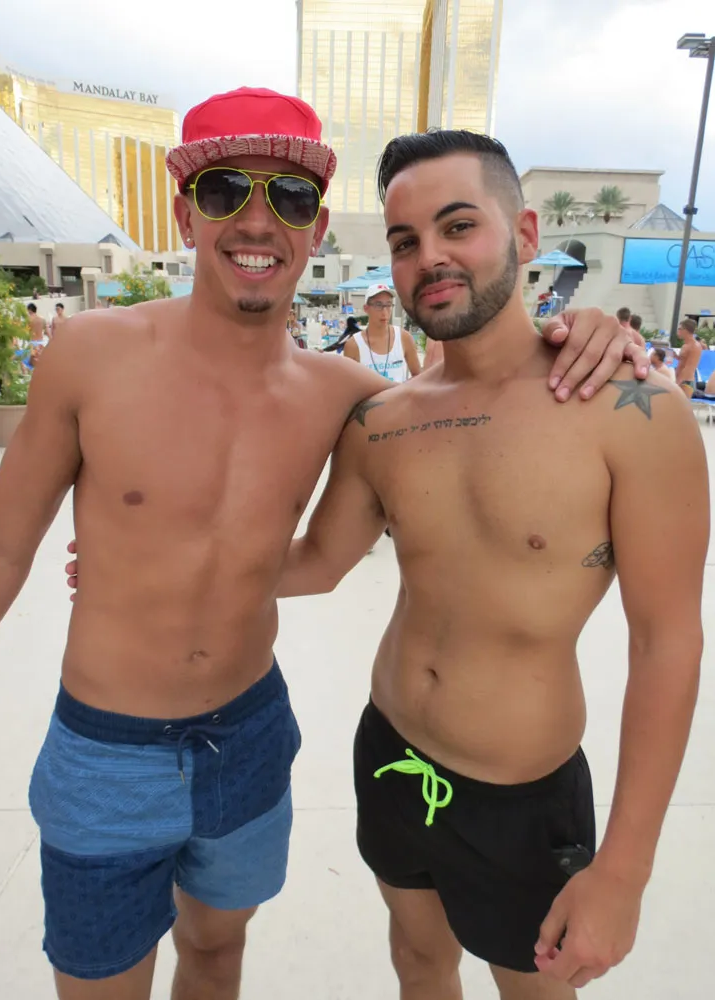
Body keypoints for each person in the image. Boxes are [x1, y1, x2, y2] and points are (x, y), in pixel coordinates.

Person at [0, 86, 645, 1000]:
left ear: (316, 228)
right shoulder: (90, 353)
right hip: (107, 751)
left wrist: (588, 329)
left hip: (247, 735)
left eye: (289, 198)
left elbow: (428, 448)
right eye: (224, 191)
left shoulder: (348, 397)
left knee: (217, 953)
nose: (258, 221)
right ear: (185, 214)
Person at [277, 130, 708, 999]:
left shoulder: (630, 411)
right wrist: (161, 557)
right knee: (418, 961)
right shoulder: (383, 422)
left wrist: (624, 872)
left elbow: (667, 643)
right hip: (391, 751)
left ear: (525, 233)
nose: (430, 257)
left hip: (521, 795)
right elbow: (316, 563)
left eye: (459, 225)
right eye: (405, 241)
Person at [343, 284, 421, 381]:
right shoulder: (353, 345)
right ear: (366, 308)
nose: (384, 312)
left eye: (388, 305)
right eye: (378, 305)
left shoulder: (404, 338)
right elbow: (348, 384)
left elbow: (418, 376)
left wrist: (404, 388)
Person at [675, 319, 703, 398]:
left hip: (685, 381)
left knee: (681, 404)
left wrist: (678, 382)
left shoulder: (694, 346)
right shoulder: (686, 345)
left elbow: (689, 368)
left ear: (686, 330)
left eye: (680, 329)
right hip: (681, 379)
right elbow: (683, 360)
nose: (678, 331)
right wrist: (675, 356)